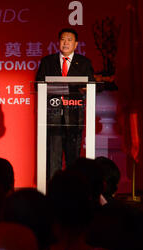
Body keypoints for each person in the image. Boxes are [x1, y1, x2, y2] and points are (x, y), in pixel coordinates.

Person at [35, 28, 95, 180]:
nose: (66, 42)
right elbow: (38, 85)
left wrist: (80, 88)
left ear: (76, 44)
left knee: (73, 158)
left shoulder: (83, 63)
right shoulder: (47, 62)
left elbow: (92, 85)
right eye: (63, 39)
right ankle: (53, 192)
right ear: (58, 42)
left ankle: (73, 191)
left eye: (69, 40)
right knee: (53, 157)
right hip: (53, 115)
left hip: (74, 116)